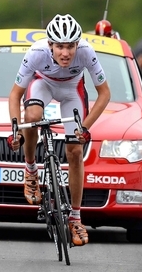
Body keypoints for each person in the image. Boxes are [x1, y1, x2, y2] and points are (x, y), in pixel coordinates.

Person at [7, 14, 111, 246]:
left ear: (77, 44)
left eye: (70, 46)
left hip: (72, 90)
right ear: (50, 45)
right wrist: (16, 130)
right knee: (32, 116)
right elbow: (15, 95)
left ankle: (75, 217)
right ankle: (31, 170)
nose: (65, 53)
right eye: (60, 46)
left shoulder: (86, 52)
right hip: (43, 84)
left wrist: (85, 128)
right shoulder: (36, 53)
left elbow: (104, 94)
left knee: (74, 151)